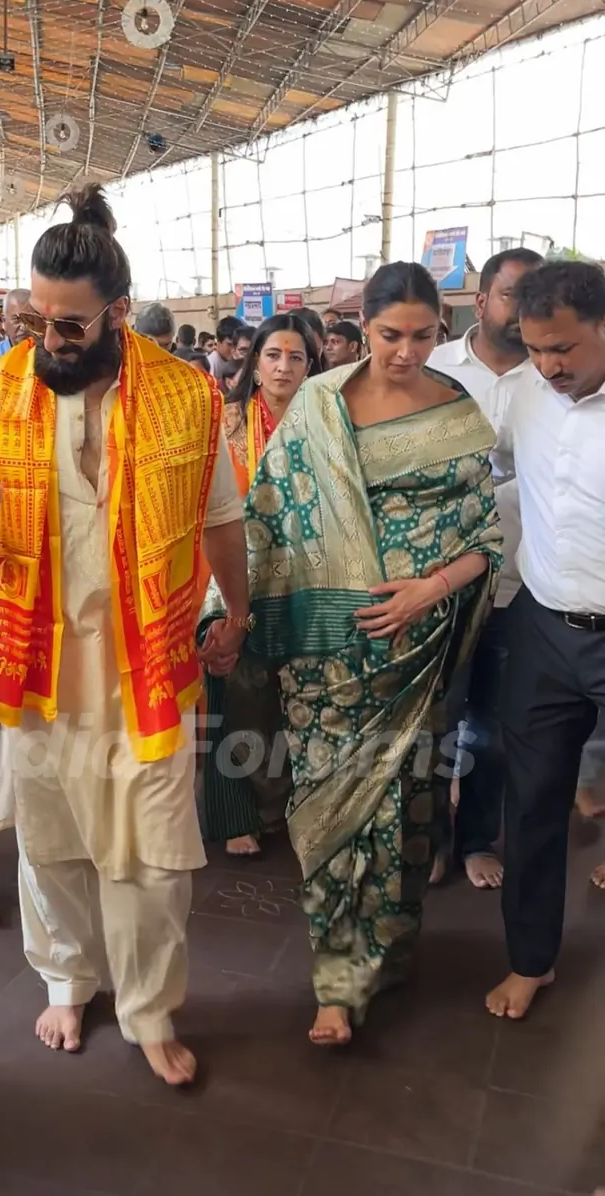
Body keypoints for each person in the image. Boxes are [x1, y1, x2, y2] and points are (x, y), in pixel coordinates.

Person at [0, 184, 249, 1086]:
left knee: (153, 854)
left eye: (68, 326)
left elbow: (221, 516)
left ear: (113, 312)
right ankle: (66, 979)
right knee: (50, 836)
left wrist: (237, 610)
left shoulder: (187, 396)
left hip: (149, 661)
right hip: (37, 666)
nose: (48, 340)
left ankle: (149, 1008)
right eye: (37, 320)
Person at [204, 262, 501, 1044]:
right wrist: (226, 613)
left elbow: (485, 539)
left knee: (403, 802)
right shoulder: (318, 407)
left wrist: (428, 589)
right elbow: (266, 518)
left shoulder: (456, 408)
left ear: (444, 328)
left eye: (424, 335)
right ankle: (336, 981)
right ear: (361, 327)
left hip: (418, 641)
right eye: (389, 334)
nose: (406, 351)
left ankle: (386, 948)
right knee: (331, 807)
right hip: (328, 655)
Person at [486, 261, 605, 1020]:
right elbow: (487, 470)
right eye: (534, 348)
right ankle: (531, 960)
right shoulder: (521, 395)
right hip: (543, 625)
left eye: (562, 348)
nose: (548, 365)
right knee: (530, 805)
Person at [429, 247, 543, 888]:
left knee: (494, 729)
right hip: (443, 583)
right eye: (512, 296)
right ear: (481, 302)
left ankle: (475, 839)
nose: (524, 310)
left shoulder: (553, 375)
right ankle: (433, 841)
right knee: (437, 719)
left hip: (521, 583)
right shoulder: (439, 370)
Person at [201, 314, 320, 857]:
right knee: (241, 693)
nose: (283, 366)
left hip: (308, 574)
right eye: (273, 355)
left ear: (311, 366)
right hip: (238, 574)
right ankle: (242, 812)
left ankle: (292, 804)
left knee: (301, 696)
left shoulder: (327, 423)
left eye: (296, 357)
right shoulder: (225, 422)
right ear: (255, 362)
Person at [209, 315, 244, 384]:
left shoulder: (238, 362)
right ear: (218, 342)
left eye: (236, 345)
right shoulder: (211, 365)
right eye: (229, 345)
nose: (234, 349)